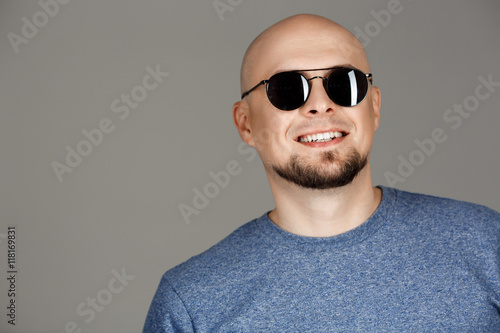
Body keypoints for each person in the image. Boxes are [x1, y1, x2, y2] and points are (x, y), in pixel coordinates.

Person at [143, 14, 500, 332]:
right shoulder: (191, 304)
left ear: (374, 107)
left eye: (344, 83)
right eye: (286, 88)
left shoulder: (487, 244)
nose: (320, 104)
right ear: (245, 123)